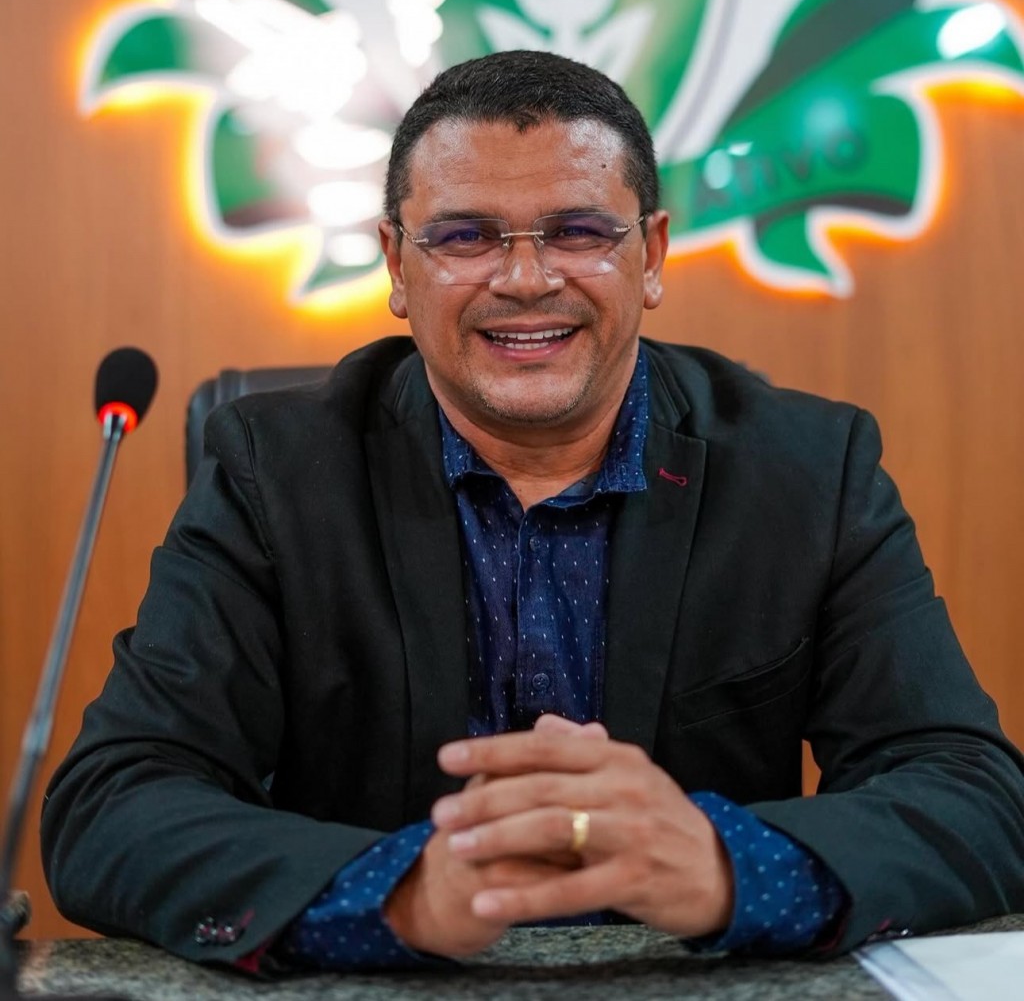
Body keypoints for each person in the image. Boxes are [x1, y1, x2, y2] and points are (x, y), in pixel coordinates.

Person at [42, 51, 1024, 971]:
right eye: (464, 236)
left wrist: (729, 863)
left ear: (650, 254)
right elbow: (114, 803)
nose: (524, 280)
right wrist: (397, 891)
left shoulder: (807, 470)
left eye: (579, 231)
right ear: (396, 264)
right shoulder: (275, 471)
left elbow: (972, 793)